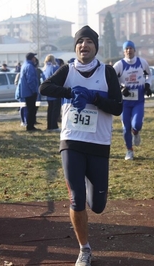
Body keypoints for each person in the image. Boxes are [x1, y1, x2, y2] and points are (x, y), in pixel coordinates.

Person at [39, 25, 122, 266]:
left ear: (96, 47)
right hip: (72, 141)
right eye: (80, 42)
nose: (83, 45)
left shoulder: (106, 72)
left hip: (98, 144)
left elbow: (117, 107)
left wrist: (93, 97)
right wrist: (70, 92)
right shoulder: (67, 70)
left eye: (88, 41)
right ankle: (84, 249)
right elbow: (44, 88)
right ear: (75, 47)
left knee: (97, 205)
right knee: (76, 198)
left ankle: (88, 184)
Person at [113, 40, 152, 160]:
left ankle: (135, 132)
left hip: (138, 100)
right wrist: (120, 88)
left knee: (137, 124)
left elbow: (149, 75)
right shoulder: (119, 65)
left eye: (131, 48)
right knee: (125, 128)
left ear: (135, 50)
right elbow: (111, 80)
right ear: (124, 51)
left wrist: (147, 85)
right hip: (124, 102)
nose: (129, 50)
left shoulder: (142, 62)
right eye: (126, 49)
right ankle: (129, 150)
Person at [19, 52, 40, 131]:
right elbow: (31, 80)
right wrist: (34, 90)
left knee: (30, 109)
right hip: (30, 92)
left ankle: (30, 125)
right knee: (31, 110)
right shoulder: (30, 67)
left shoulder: (25, 65)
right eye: (34, 57)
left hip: (26, 92)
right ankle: (30, 126)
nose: (35, 59)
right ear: (32, 58)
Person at [42, 54, 60, 131]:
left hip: (48, 92)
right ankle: (54, 126)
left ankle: (49, 126)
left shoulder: (44, 69)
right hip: (55, 91)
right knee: (55, 110)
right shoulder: (55, 67)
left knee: (50, 109)